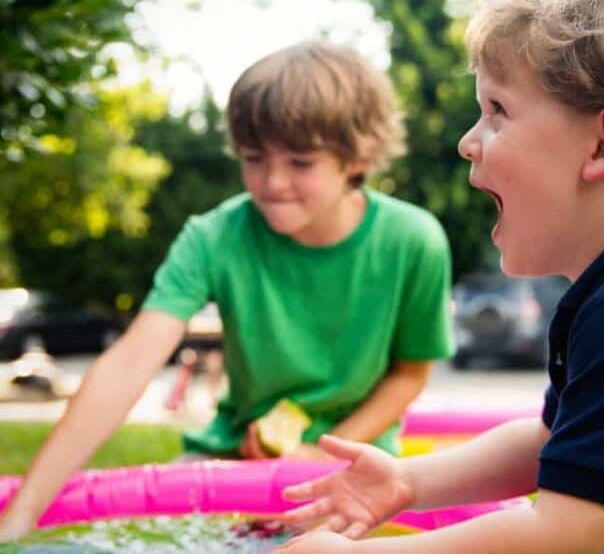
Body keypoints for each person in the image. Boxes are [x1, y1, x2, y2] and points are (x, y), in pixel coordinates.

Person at [273, 0, 604, 554]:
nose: (467, 142)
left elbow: (565, 538)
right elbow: (551, 441)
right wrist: (408, 480)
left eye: (497, 111)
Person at [0, 41, 454, 541]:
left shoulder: (415, 241)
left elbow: (409, 374)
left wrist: (322, 452)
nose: (272, 182)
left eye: (300, 162)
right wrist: (22, 516)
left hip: (354, 461)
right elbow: (127, 366)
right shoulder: (214, 236)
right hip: (232, 456)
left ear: (359, 156)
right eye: (254, 158)